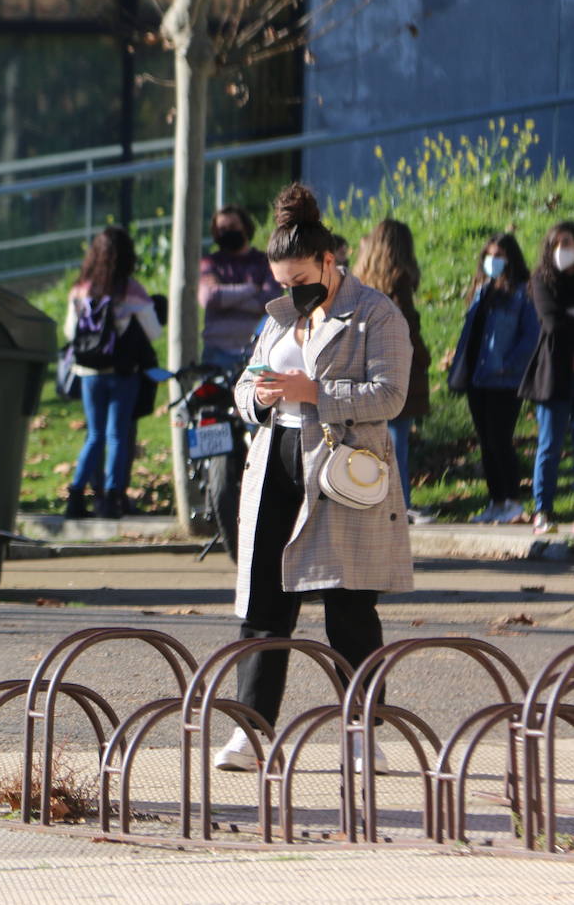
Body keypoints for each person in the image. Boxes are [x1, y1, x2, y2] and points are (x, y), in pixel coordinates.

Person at [215, 183, 412, 775]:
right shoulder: (278, 318)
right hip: (275, 454)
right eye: (280, 282)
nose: (290, 291)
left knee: (348, 605)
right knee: (263, 601)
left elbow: (392, 395)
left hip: (338, 464)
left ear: (330, 262)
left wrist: (315, 393)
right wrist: (258, 397)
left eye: (300, 278)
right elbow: (246, 381)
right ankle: (251, 730)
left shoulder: (375, 312)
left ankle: (362, 731)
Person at [62, 227, 161, 520]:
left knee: (94, 436)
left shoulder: (80, 289)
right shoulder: (132, 290)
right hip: (122, 373)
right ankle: (112, 500)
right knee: (117, 435)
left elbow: (70, 331)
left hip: (88, 373)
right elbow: (153, 331)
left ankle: (76, 495)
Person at [448, 233, 538, 525]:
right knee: (486, 441)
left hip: (505, 380)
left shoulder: (523, 292)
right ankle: (496, 500)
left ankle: (512, 499)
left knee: (501, 439)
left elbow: (531, 336)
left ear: (511, 257)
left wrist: (508, 365)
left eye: (499, 255)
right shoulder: (482, 290)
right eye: (489, 254)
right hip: (478, 378)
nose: (493, 260)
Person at [354, 219, 432, 522]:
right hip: (399, 369)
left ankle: (373, 500)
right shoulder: (399, 280)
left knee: (372, 442)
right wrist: (423, 357)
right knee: (397, 440)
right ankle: (401, 503)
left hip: (365, 367)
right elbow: (408, 328)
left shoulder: (360, 280)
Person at [519, 221, 574, 535]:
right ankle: (543, 510)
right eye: (558, 243)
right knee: (550, 444)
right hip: (553, 374)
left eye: (568, 243)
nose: (562, 250)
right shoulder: (541, 279)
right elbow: (552, 323)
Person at [198, 205, 278, 370]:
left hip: (256, 352)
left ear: (245, 227)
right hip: (216, 353)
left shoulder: (264, 262)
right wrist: (251, 289)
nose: (228, 232)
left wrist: (225, 298)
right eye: (222, 229)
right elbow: (209, 298)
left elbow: (269, 302)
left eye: (233, 227)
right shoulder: (210, 263)